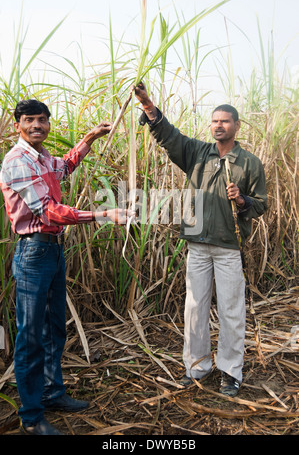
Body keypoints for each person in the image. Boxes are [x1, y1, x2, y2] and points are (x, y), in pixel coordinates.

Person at [0, 99, 133, 435]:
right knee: (30, 336)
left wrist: (89, 138)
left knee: (54, 328)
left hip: (53, 253)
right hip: (33, 254)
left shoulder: (43, 157)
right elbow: (49, 212)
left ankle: (51, 392)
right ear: (17, 125)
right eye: (29, 120)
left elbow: (66, 165)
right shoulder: (16, 161)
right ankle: (31, 417)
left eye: (42, 120)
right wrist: (103, 215)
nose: (37, 126)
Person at [133, 83, 267, 397]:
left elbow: (261, 204)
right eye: (214, 121)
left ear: (236, 125)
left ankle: (231, 372)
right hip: (197, 244)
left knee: (232, 310)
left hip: (228, 247)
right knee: (195, 308)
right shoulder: (196, 152)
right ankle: (197, 367)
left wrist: (243, 199)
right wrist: (149, 106)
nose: (218, 125)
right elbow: (168, 135)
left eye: (225, 121)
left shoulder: (249, 163)